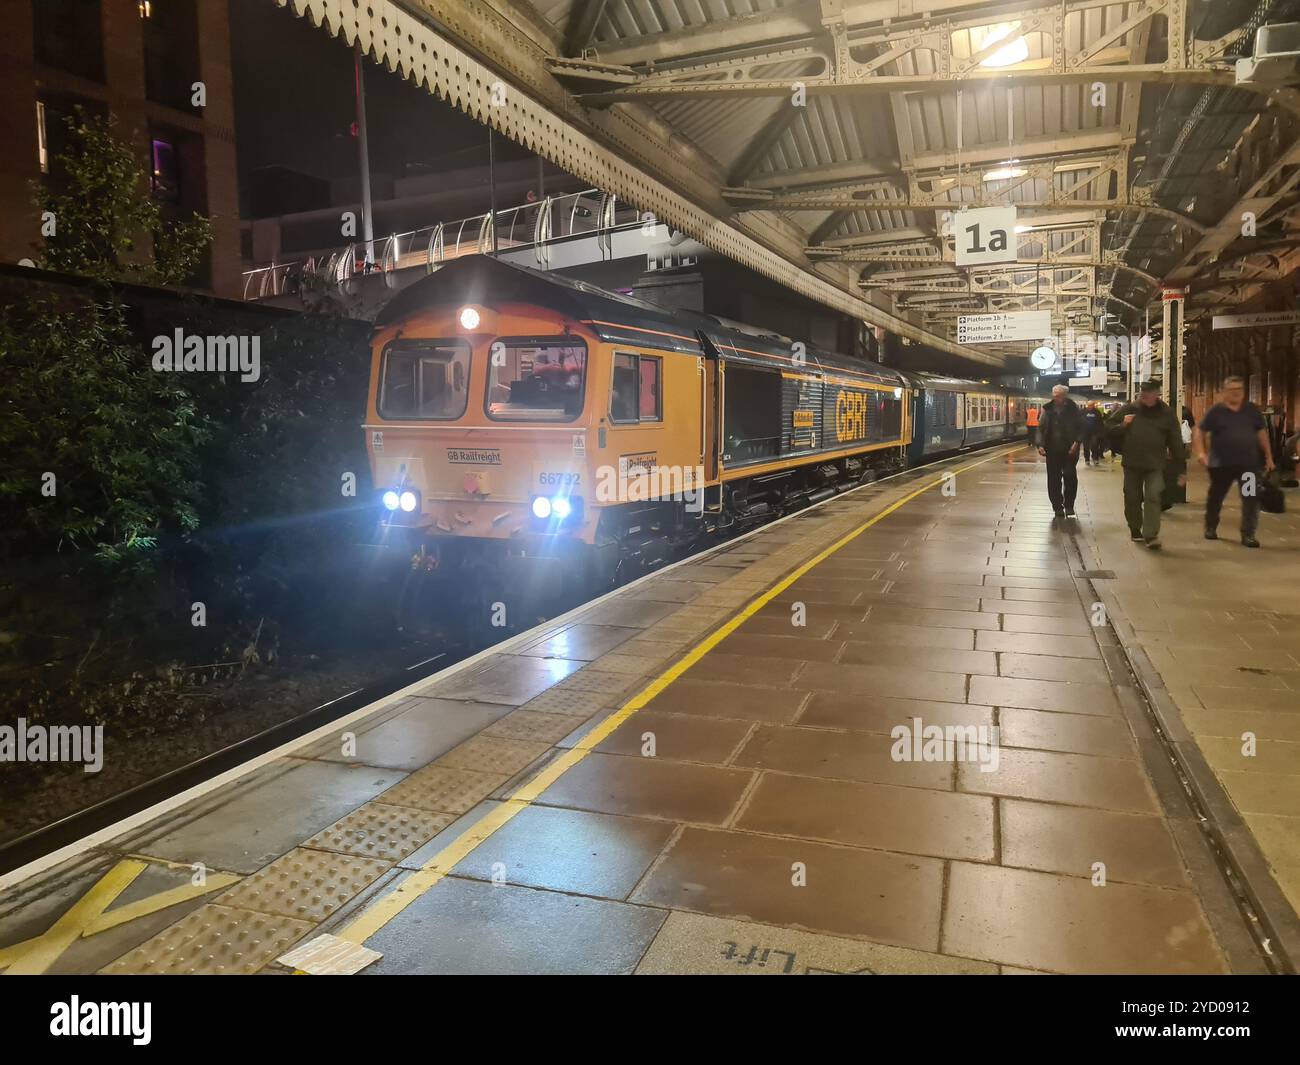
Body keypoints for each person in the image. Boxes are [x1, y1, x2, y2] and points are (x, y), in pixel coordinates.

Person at [1194, 376, 1275, 548]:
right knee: (1216, 497)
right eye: (1232, 390)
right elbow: (1199, 432)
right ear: (1225, 392)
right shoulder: (1216, 412)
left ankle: (1248, 534)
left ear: (1243, 392)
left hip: (1248, 465)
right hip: (1220, 465)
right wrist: (1201, 453)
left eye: (1239, 389)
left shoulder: (1252, 411)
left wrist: (1269, 457)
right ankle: (1210, 527)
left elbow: (1262, 434)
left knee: (1250, 498)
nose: (1236, 393)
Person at [1107, 381, 1186, 550]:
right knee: (1132, 497)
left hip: (1155, 464)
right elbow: (1109, 428)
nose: (1144, 396)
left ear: (1157, 394)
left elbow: (1176, 441)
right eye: (1142, 393)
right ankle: (1135, 528)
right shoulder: (1130, 409)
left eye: (1148, 393)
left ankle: (1151, 535)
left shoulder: (1166, 413)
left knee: (1153, 496)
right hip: (1132, 462)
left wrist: (1181, 468)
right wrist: (1123, 425)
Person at [1036, 384, 1085, 520]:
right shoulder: (1047, 409)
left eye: (1058, 395)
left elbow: (1082, 428)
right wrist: (1040, 444)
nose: (1055, 397)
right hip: (1052, 450)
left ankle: (1069, 505)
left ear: (1064, 396)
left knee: (1070, 476)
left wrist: (1077, 442)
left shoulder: (1073, 409)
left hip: (1070, 450)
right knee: (1053, 479)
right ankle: (1057, 506)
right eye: (1054, 395)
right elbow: (1040, 428)